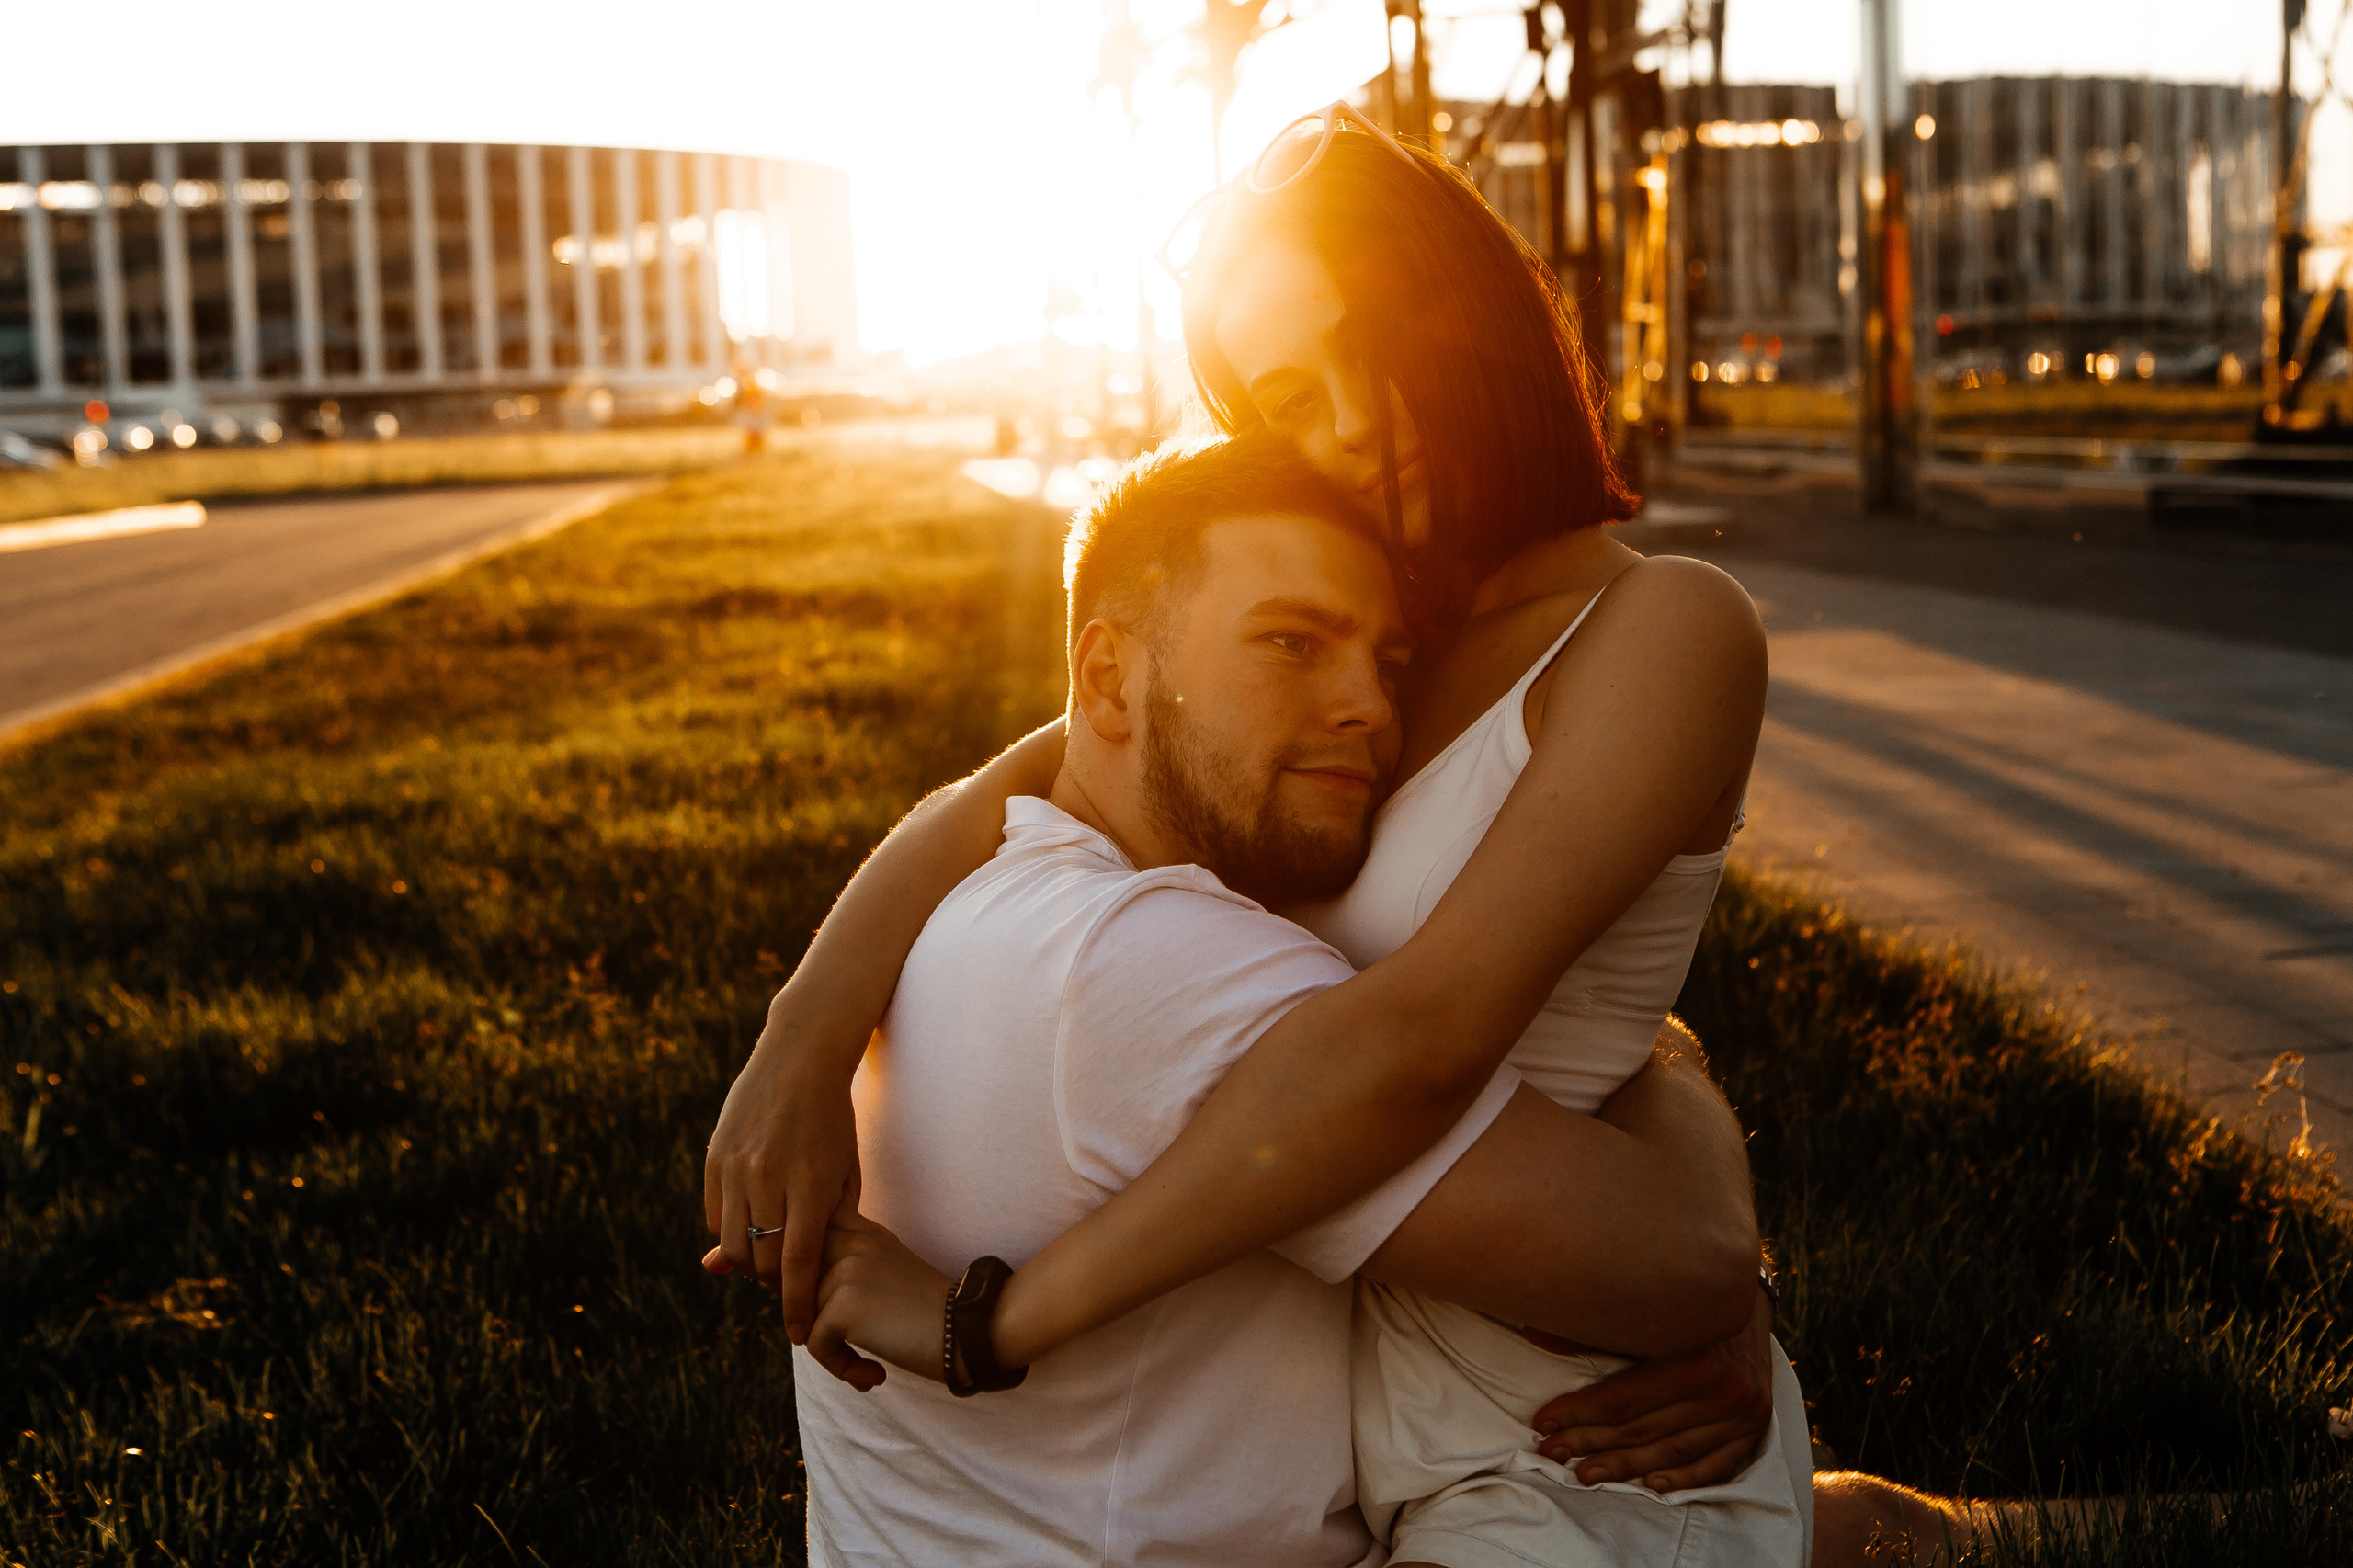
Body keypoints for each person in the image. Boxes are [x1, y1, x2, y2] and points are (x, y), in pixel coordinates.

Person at [708, 103, 1965, 1564]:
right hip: (1353, 1395)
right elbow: (1028, 776)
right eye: (1289, 397)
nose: (1353, 423)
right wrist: (804, 1030)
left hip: (1558, 1414)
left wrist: (994, 1316)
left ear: (1470, 305)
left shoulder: (1663, 628)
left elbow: (1423, 1037)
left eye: (1373, 342)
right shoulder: (1378, 646)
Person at [771, 430, 1770, 1564]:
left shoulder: (999, 892)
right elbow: (1678, 1264)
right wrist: (1679, 1112)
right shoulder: (1149, 964)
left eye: (1389, 663)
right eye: (1290, 642)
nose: (1368, 710)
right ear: (1107, 679)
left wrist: (1663, 1056)